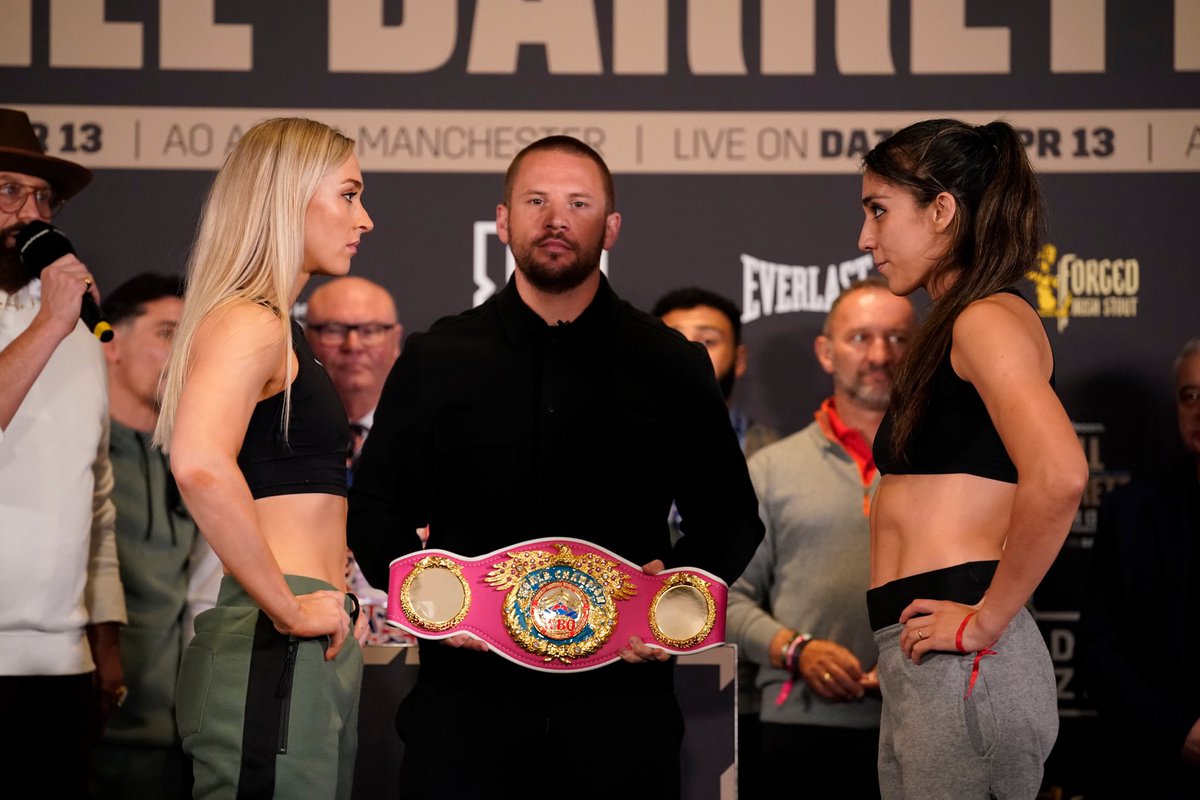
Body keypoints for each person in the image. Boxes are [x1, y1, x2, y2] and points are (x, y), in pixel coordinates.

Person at [348, 135, 764, 800]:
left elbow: (731, 518)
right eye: (536, 201)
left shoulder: (671, 364)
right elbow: (374, 511)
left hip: (623, 715)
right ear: (504, 221)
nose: (556, 219)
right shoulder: (437, 358)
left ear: (612, 227)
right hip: (464, 713)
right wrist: (433, 609)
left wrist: (675, 605)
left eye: (578, 203)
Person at [858, 118, 1088, 799]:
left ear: (942, 210)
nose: (865, 239)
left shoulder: (984, 318)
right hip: (923, 658)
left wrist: (984, 620)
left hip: (967, 658)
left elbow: (1062, 473)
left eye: (878, 211)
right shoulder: (958, 321)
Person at [154, 117, 373, 799]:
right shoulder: (250, 320)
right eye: (348, 194)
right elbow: (198, 462)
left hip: (305, 635)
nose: (363, 219)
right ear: (289, 196)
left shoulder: (280, 326)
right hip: (275, 636)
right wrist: (288, 606)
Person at [728, 276, 915, 800]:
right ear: (826, 352)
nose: (880, 354)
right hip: (800, 729)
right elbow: (726, 598)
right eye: (860, 338)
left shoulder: (949, 469)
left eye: (898, 339)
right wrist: (795, 650)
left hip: (926, 725)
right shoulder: (769, 469)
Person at [0, 107, 127, 798]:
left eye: (43, 196)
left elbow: (95, 492)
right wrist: (53, 320)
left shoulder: (78, 331)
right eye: (6, 190)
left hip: (61, 666)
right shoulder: (60, 322)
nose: (31, 212)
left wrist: (104, 639)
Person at [90, 273, 216, 799]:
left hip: (171, 747)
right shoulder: (72, 455)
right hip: (82, 734)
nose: (181, 354)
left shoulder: (197, 464)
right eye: (168, 333)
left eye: (190, 339)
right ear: (110, 343)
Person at [1078, 338, 1200, 799]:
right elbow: (1098, 649)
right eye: (1191, 395)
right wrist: (1178, 731)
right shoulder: (1129, 511)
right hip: (1152, 765)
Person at [302, 275, 412, 644]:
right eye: (335, 329)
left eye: (370, 331)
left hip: (410, 646)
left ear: (395, 339)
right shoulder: (274, 439)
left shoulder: (429, 440)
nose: (353, 345)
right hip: (308, 637)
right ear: (306, 337)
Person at [653, 286, 780, 459]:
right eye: (673, 340)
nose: (689, 351)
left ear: (739, 360)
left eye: (707, 341)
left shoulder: (778, 454)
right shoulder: (614, 441)